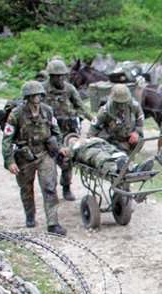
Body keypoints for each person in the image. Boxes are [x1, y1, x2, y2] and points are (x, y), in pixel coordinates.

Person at [1, 80, 68, 235]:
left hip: (44, 153)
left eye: (39, 95)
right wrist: (10, 161)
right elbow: (7, 139)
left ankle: (53, 223)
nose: (36, 99)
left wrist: (60, 145)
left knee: (50, 187)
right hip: (25, 156)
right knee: (26, 188)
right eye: (33, 96)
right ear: (27, 98)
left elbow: (56, 130)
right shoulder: (16, 115)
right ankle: (30, 215)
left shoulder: (47, 111)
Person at [42, 59, 93, 201]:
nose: (59, 79)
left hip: (66, 131)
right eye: (56, 76)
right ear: (50, 76)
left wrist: (91, 119)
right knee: (48, 163)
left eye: (62, 76)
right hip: (48, 132)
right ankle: (49, 192)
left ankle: (66, 186)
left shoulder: (69, 89)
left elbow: (80, 107)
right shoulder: (42, 90)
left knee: (68, 160)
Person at [63, 133, 154, 177]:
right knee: (103, 159)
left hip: (104, 147)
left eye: (75, 138)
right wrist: (74, 146)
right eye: (72, 140)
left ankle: (136, 167)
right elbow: (67, 161)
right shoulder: (73, 147)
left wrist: (94, 139)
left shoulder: (90, 140)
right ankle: (118, 170)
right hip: (90, 152)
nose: (75, 140)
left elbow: (106, 144)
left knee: (119, 155)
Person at [89, 84, 145, 155]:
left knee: (138, 142)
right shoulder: (105, 110)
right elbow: (94, 126)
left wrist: (136, 132)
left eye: (124, 102)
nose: (122, 106)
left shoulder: (134, 106)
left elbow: (140, 118)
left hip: (129, 137)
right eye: (118, 103)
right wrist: (92, 140)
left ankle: (130, 154)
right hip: (113, 139)